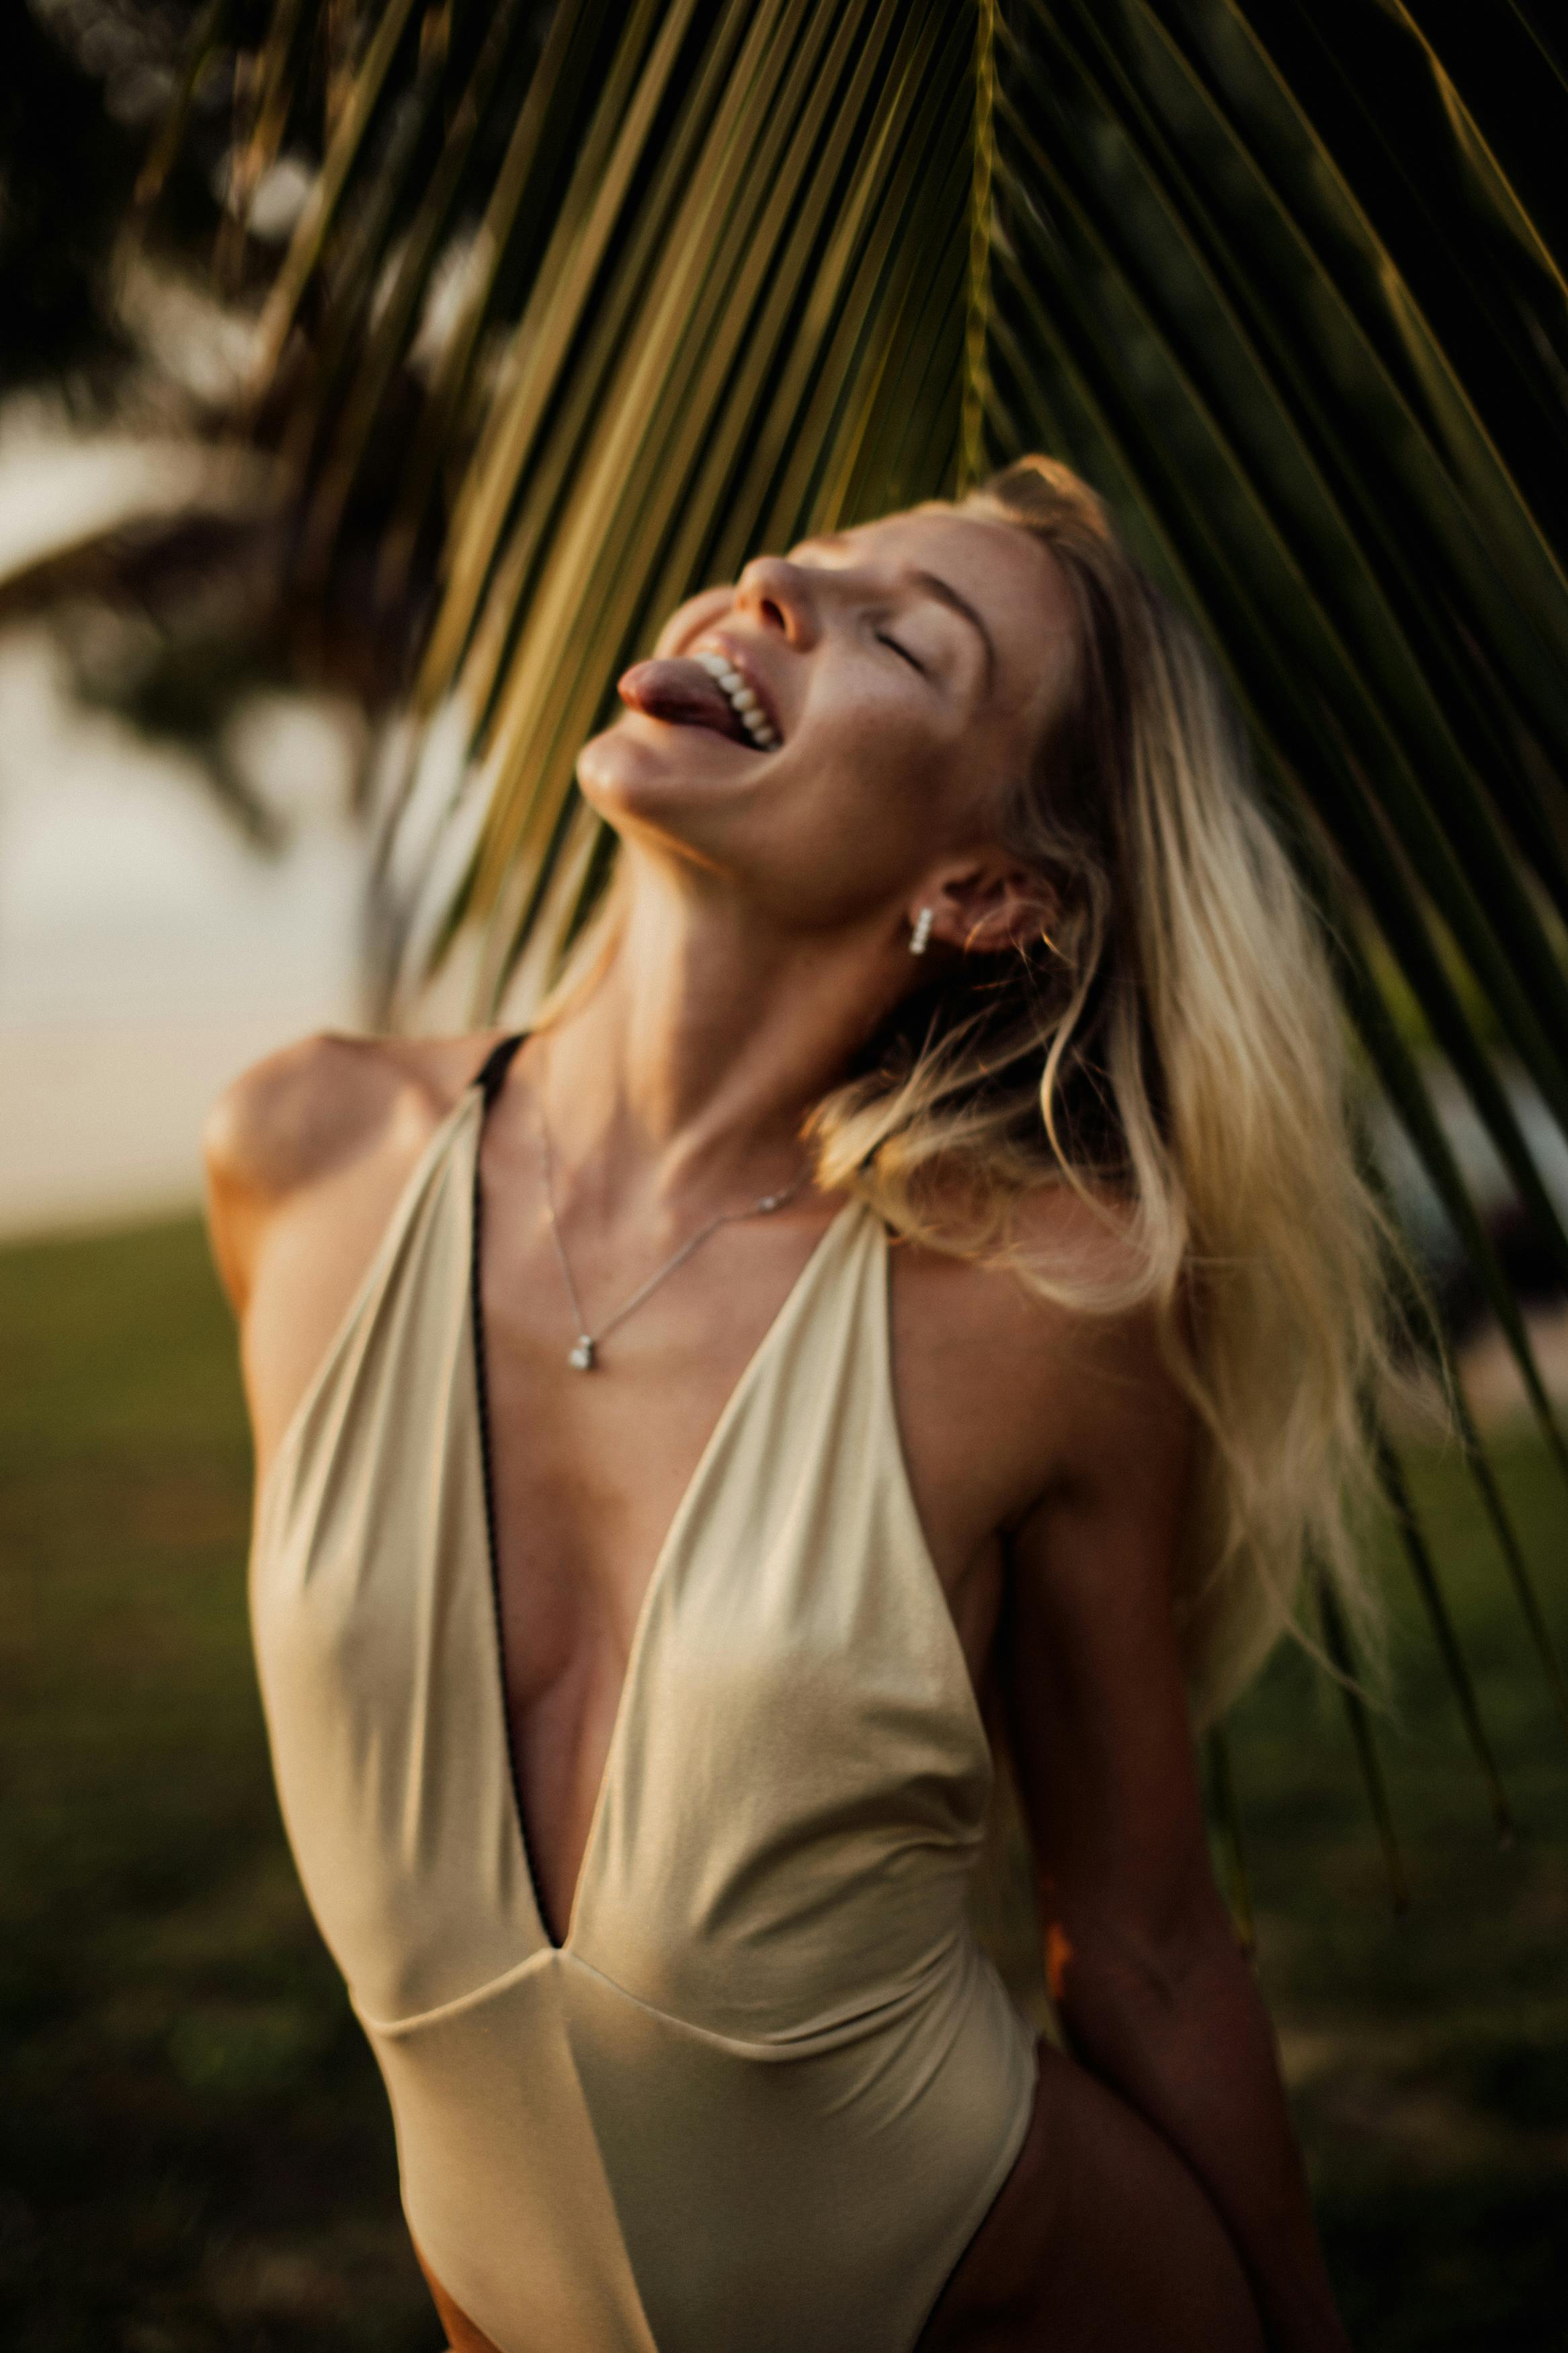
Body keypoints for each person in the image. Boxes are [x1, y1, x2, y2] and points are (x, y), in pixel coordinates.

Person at [205, 456, 1393, 2352]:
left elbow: (1151, 1945)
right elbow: (476, 2043)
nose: (768, 581)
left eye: (899, 639)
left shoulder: (1037, 1303)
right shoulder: (307, 1162)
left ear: (985, 888)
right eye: (807, 562)